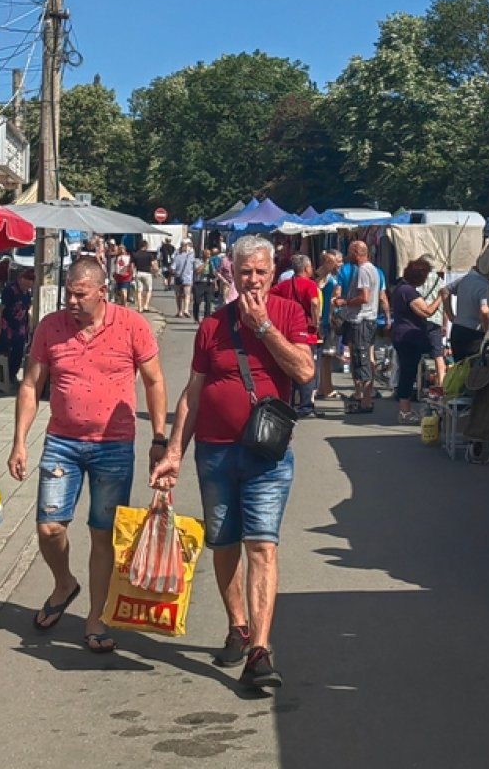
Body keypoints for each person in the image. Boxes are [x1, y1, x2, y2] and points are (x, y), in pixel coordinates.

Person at [151, 236, 313, 691]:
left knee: (262, 545)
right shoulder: (212, 326)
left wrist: (263, 327)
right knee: (223, 541)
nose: (254, 280)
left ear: (273, 270)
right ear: (231, 271)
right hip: (216, 451)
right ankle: (238, 625)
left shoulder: (288, 313)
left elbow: (303, 372)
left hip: (266, 454)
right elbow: (194, 393)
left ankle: (260, 651)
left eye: (262, 272)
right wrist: (174, 452)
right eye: (246, 273)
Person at [9, 258, 168, 653]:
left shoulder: (132, 325)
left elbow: (154, 380)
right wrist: (19, 440)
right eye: (68, 294)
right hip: (62, 441)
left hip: (114, 446)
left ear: (102, 291)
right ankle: (64, 583)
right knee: (50, 527)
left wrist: (160, 437)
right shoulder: (51, 327)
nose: (72, 302)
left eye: (80, 294)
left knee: (103, 533)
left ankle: (95, 617)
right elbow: (31, 385)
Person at [388, 259, 446, 424]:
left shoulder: (402, 288)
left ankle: (405, 408)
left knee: (408, 372)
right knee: (408, 373)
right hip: (408, 338)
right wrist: (440, 298)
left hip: (405, 336)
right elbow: (426, 311)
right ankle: (404, 411)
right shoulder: (408, 291)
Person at [334, 240, 383, 415]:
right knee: (361, 358)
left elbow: (364, 297)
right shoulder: (373, 269)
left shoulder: (363, 270)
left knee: (361, 359)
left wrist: (345, 302)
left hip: (362, 320)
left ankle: (366, 401)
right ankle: (363, 397)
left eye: (349, 252)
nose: (347, 255)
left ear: (356, 252)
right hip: (366, 319)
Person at [270, 254, 321, 418]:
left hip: (286, 330)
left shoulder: (285, 285)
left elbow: (269, 295)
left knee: (289, 366)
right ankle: (306, 405)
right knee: (306, 367)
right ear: (306, 268)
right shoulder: (310, 284)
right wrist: (316, 320)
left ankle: (288, 403)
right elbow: (314, 302)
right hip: (306, 331)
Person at [311, 250, 343, 407]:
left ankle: (322, 387)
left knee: (321, 357)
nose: (340, 263)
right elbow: (333, 302)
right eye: (338, 260)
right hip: (326, 321)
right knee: (326, 357)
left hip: (318, 320)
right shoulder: (334, 280)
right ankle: (326, 388)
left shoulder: (317, 278)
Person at [0, 267, 36, 381]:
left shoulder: (27, 293)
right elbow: (0, 309)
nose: (28, 287)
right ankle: (4, 378)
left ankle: (12, 376)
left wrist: (30, 326)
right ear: (22, 279)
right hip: (7, 326)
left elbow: (26, 310)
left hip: (20, 327)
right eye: (27, 284)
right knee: (5, 353)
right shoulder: (10, 289)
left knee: (18, 354)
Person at [446, 264, 489, 362]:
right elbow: (485, 310)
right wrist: (487, 332)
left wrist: (451, 315)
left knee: (459, 370)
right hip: (473, 334)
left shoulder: (466, 279)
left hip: (457, 329)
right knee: (474, 372)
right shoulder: (485, 286)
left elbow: (444, 291)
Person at [170, 242, 198, 319]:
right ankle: (186, 309)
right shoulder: (192, 257)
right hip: (188, 278)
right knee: (187, 295)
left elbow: (172, 268)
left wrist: (174, 273)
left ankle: (180, 311)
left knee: (178, 295)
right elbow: (195, 268)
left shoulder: (177, 257)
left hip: (178, 278)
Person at [131, 243, 157, 313]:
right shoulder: (149, 255)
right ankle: (146, 305)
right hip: (147, 273)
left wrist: (132, 274)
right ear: (146, 246)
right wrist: (155, 272)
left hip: (138, 273)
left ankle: (140, 307)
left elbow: (132, 266)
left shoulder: (135, 254)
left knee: (139, 291)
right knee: (149, 290)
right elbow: (153, 265)